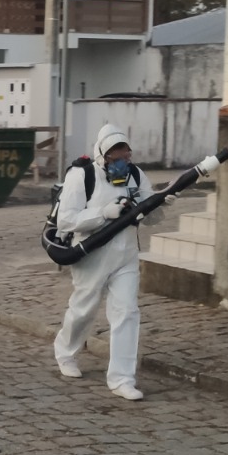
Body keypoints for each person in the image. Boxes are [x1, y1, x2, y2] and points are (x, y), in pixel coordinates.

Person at [53, 123, 153, 400]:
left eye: (125, 155)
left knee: (127, 312)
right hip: (91, 254)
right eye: (115, 156)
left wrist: (161, 203)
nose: (121, 161)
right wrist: (103, 213)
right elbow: (67, 219)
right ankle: (66, 351)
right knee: (84, 309)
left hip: (126, 256)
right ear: (102, 155)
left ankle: (122, 378)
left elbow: (153, 216)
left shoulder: (136, 175)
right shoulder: (82, 176)